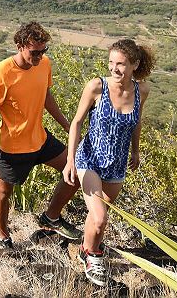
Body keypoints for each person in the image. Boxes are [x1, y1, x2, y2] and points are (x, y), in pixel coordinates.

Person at [0, 21, 82, 249]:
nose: (39, 56)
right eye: (34, 52)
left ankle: (51, 216)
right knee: (3, 192)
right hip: (13, 148)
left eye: (43, 50)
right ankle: (3, 235)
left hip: (41, 139)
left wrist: (67, 125)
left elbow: (46, 97)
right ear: (19, 46)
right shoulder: (1, 73)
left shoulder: (44, 64)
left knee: (75, 172)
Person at [63, 39, 153, 286]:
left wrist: (136, 151)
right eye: (111, 62)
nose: (114, 68)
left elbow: (137, 122)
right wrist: (70, 161)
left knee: (96, 217)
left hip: (117, 165)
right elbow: (77, 122)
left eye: (121, 64)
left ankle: (84, 248)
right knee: (101, 218)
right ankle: (93, 257)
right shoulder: (97, 87)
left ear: (134, 64)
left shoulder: (141, 91)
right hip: (90, 159)